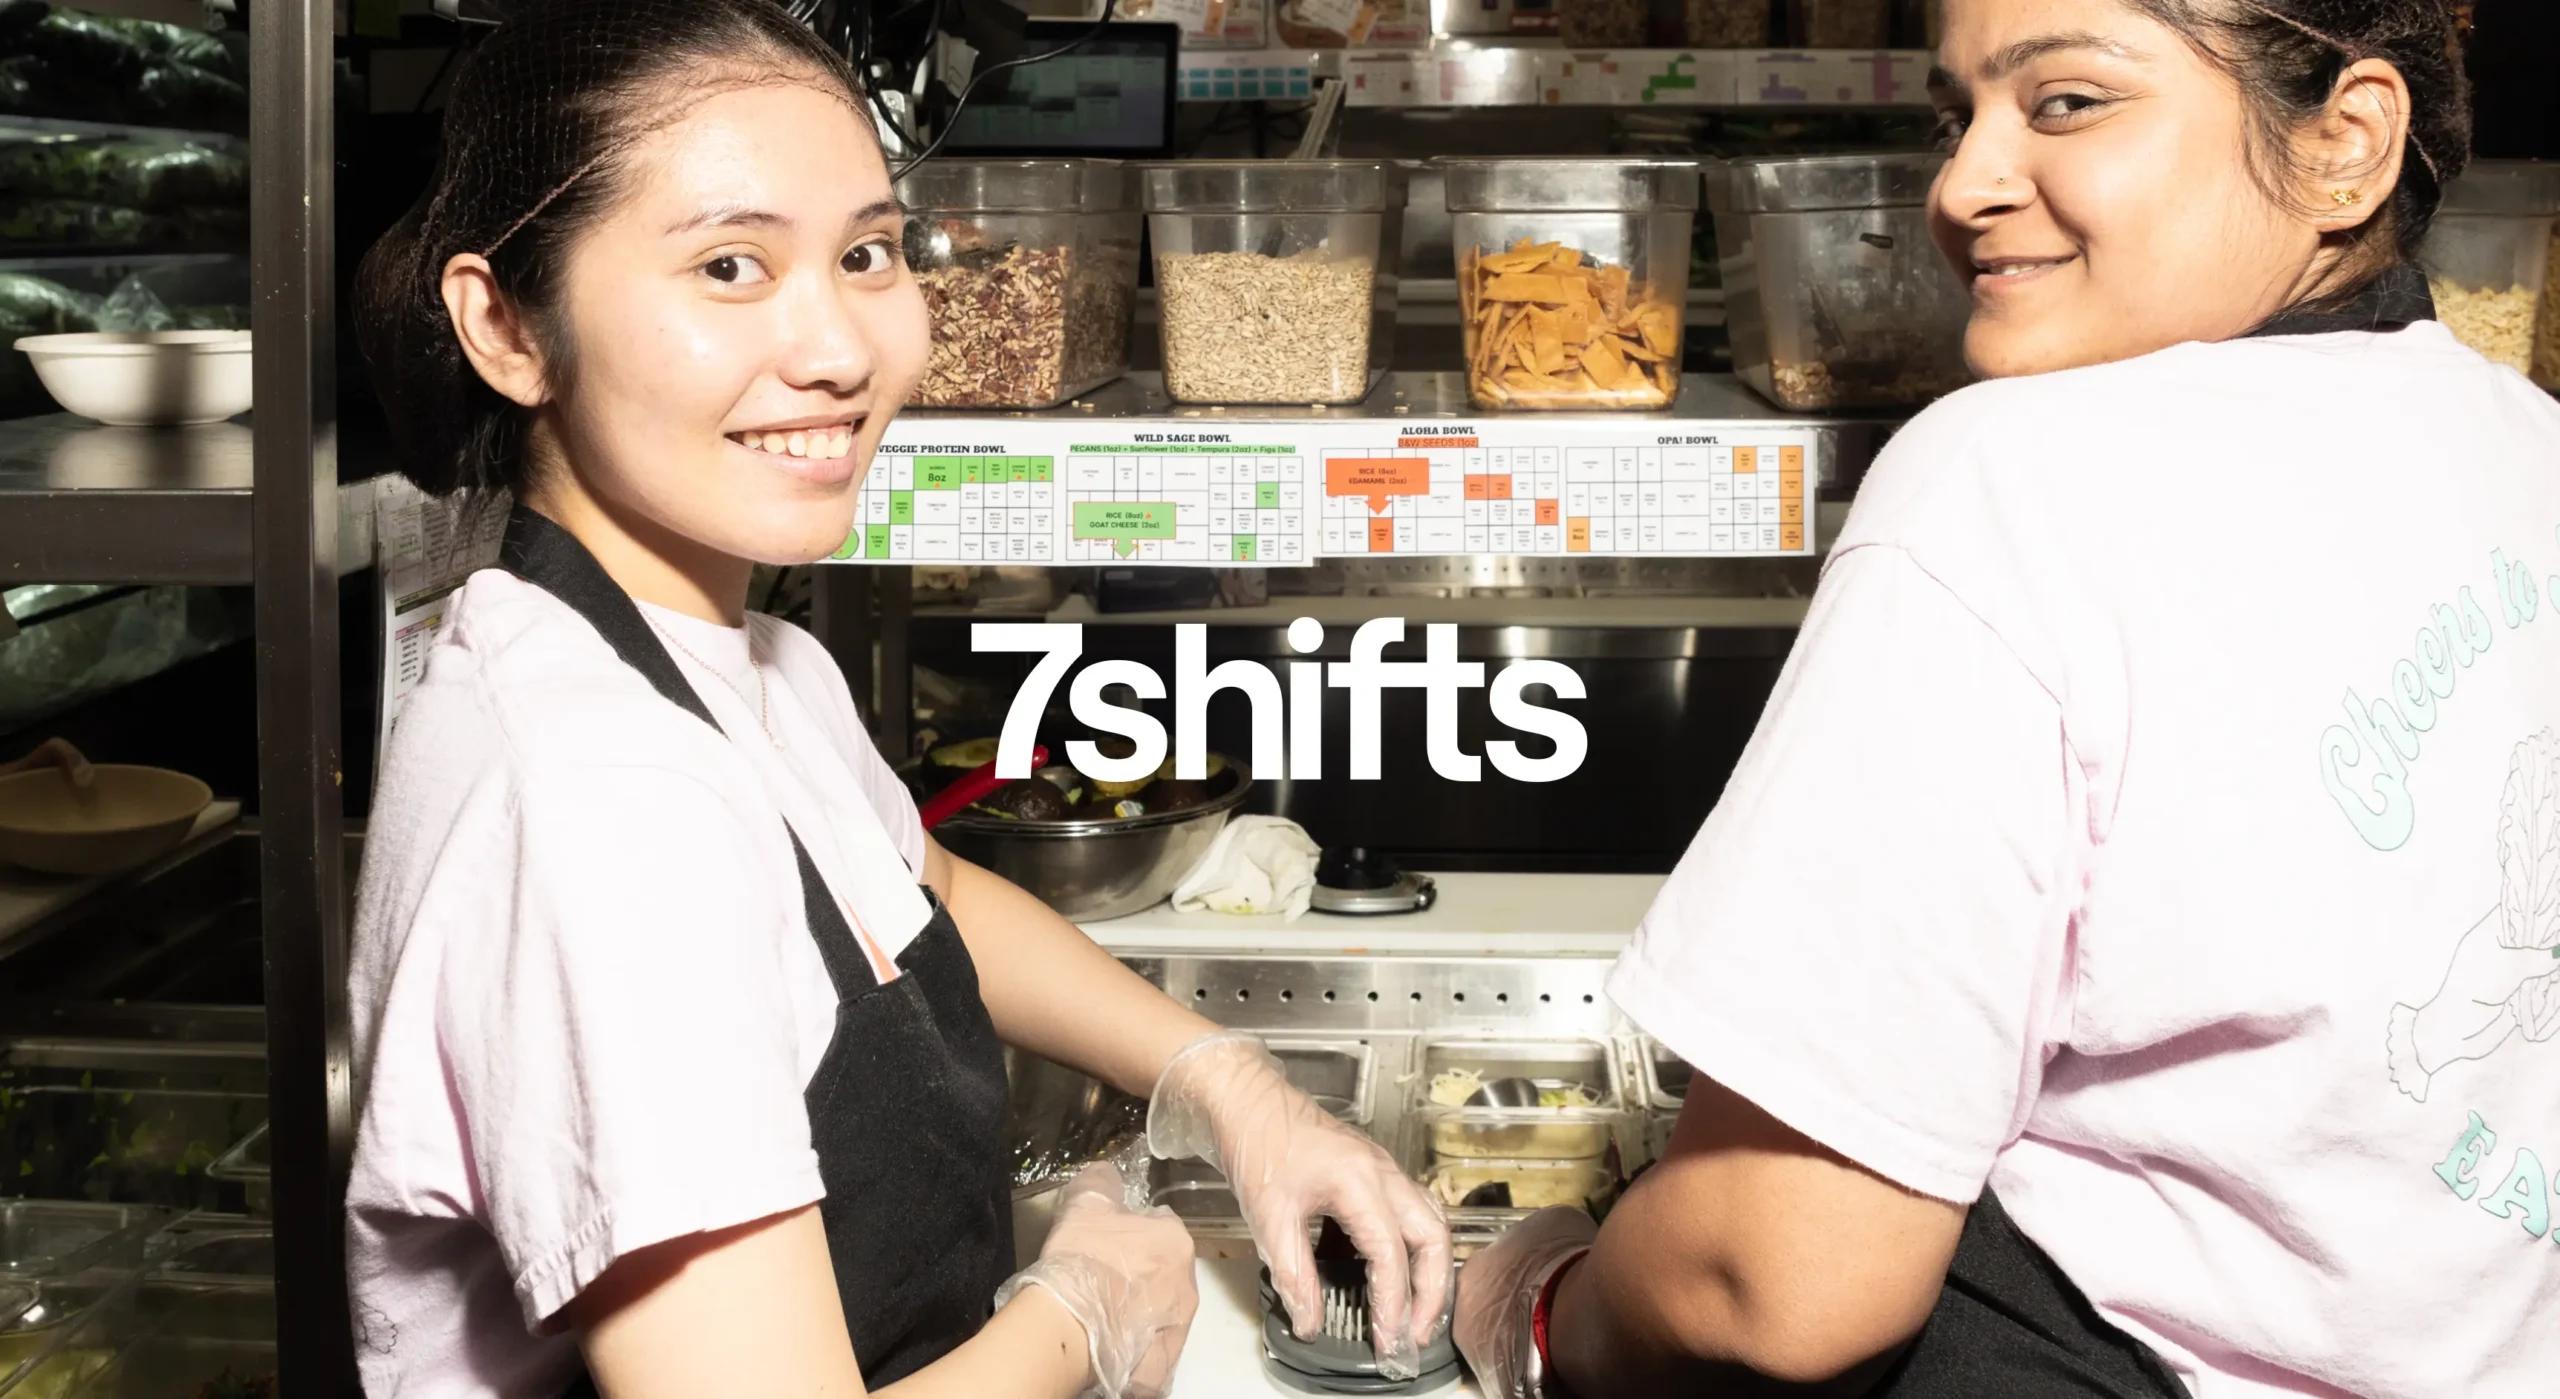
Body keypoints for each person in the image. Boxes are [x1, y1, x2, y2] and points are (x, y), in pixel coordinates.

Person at [341, 4, 1449, 1396]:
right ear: (505, 327)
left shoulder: (746, 662)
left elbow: (918, 888)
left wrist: (1232, 1090)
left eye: (869, 253)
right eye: (731, 266)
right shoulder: (597, 800)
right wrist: (1085, 1311)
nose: (843, 348)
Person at [1456, 1, 2560, 1396]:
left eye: (2066, 104)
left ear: (2345, 145)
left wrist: (1541, 1308)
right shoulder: (2527, 439)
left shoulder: (2011, 478)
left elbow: (1774, 1280)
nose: (1960, 184)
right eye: (1954, 114)